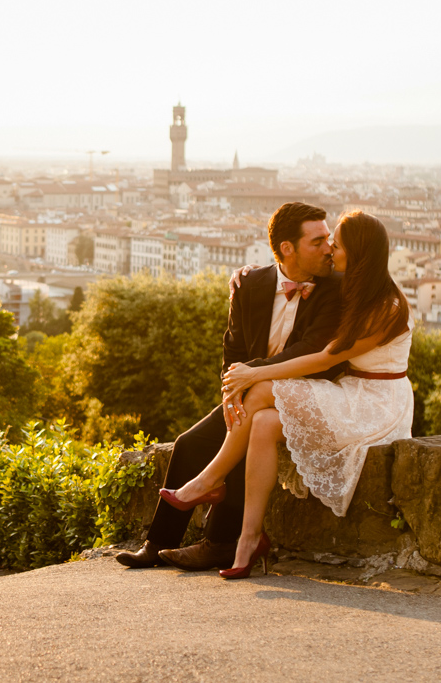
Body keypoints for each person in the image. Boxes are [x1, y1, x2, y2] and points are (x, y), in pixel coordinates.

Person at [161, 210, 413, 579]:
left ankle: (208, 481)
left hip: (376, 402)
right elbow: (282, 276)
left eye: (336, 244)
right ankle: (249, 539)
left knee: (262, 390)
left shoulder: (386, 307)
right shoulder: (352, 287)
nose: (329, 249)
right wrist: (249, 274)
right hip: (349, 392)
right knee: (262, 422)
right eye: (326, 242)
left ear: (356, 254)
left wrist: (254, 373)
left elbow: (327, 356)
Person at [115, 202, 345, 571]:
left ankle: (220, 543)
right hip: (252, 391)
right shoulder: (250, 284)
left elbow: (312, 348)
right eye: (318, 241)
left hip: (303, 390)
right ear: (287, 248)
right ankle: (157, 544)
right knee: (190, 443)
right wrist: (230, 393)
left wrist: (251, 374)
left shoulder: (335, 288)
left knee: (248, 432)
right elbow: (232, 348)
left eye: (328, 240)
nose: (328, 248)